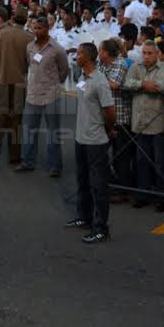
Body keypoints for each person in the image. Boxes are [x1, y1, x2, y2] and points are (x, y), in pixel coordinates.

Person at [65, 42, 115, 244]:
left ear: (87, 57)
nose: (76, 56)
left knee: (98, 186)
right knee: (83, 181)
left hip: (95, 141)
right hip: (81, 138)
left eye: (78, 53)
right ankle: (84, 217)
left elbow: (110, 111)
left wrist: (109, 129)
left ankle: (101, 228)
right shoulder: (82, 77)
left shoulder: (99, 82)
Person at [124, 40, 164, 210]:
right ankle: (143, 194)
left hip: (157, 121)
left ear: (157, 54)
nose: (146, 56)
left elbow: (159, 87)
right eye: (144, 52)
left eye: (149, 53)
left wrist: (138, 85)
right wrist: (143, 84)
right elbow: (127, 83)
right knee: (141, 160)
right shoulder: (136, 65)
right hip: (139, 120)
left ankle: (162, 197)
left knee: (160, 162)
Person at [18, 16, 69, 175]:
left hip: (51, 95)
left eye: (39, 28)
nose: (36, 31)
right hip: (32, 94)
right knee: (29, 131)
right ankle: (27, 162)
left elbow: (64, 70)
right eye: (34, 28)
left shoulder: (57, 49)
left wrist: (53, 83)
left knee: (53, 132)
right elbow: (29, 65)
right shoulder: (29, 47)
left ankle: (55, 166)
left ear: (47, 29)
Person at [0, 5, 32, 165]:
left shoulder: (2, 34)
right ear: (26, 20)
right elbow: (32, 63)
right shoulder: (29, 38)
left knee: (0, 113)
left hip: (3, 79)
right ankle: (14, 154)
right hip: (20, 82)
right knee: (16, 117)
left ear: (13, 18)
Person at [97, 39, 134, 202]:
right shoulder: (101, 64)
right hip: (104, 117)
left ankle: (124, 190)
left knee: (121, 157)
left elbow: (114, 84)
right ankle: (110, 185)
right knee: (102, 154)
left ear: (106, 52)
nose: (98, 53)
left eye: (100, 50)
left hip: (119, 117)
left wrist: (96, 81)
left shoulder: (120, 63)